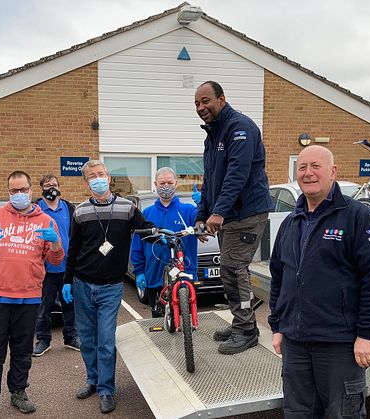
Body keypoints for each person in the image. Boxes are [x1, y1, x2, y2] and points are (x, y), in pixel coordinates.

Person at [268, 146, 370, 419]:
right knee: (298, 413)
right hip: (296, 343)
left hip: (339, 345)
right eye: (302, 168)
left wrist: (366, 334)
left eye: (316, 166)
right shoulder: (291, 222)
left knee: (342, 414)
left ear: (333, 172)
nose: (308, 173)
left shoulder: (356, 216)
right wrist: (278, 326)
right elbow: (279, 277)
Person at [0, 171, 64, 419]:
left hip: (29, 297)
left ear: (31, 191)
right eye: (14, 190)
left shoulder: (45, 221)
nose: (18, 194)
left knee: (22, 350)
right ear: (8, 191)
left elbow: (56, 258)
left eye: (23, 190)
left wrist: (55, 242)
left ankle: (18, 392)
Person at [62, 160, 154, 414]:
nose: (98, 179)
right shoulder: (79, 212)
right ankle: (92, 380)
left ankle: (107, 389)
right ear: (86, 182)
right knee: (88, 339)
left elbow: (146, 229)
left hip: (111, 286)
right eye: (92, 176)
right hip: (82, 284)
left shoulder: (127, 207)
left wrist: (161, 232)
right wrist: (67, 281)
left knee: (105, 339)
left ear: (109, 178)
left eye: (101, 174)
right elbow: (73, 249)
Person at [193, 80, 274, 354]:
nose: (201, 107)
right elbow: (210, 180)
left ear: (222, 99)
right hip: (229, 214)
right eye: (197, 104)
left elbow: (236, 175)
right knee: (229, 270)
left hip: (247, 212)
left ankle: (246, 329)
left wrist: (219, 212)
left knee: (232, 267)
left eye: (206, 101)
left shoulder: (240, 128)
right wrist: (201, 215)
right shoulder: (213, 135)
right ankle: (241, 322)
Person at [130, 167, 198, 318]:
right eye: (162, 183)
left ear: (176, 184)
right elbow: (137, 246)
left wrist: (204, 205)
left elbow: (204, 223)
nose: (165, 186)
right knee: (159, 321)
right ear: (155, 184)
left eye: (169, 182)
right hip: (155, 276)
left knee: (184, 318)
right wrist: (139, 271)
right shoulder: (146, 214)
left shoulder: (188, 210)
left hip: (184, 274)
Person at [33, 173, 80, 356]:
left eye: (54, 184)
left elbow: (76, 237)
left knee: (70, 305)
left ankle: (71, 337)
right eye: (47, 185)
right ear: (42, 189)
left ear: (59, 186)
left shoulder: (69, 208)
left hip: (67, 267)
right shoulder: (35, 209)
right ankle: (43, 340)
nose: (51, 187)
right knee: (43, 307)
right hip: (44, 268)